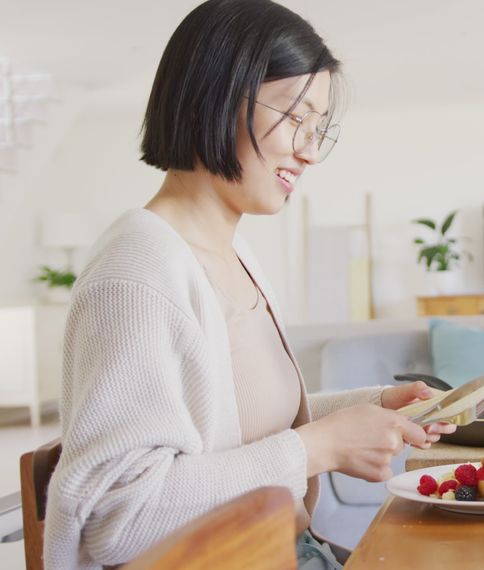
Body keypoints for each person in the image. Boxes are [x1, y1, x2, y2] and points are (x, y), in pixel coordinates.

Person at [43, 2, 452, 568]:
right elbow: (118, 518)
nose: (310, 151)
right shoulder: (135, 273)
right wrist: (321, 446)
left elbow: (235, 427)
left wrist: (373, 406)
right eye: (295, 118)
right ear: (216, 93)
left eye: (320, 128)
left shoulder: (234, 255)